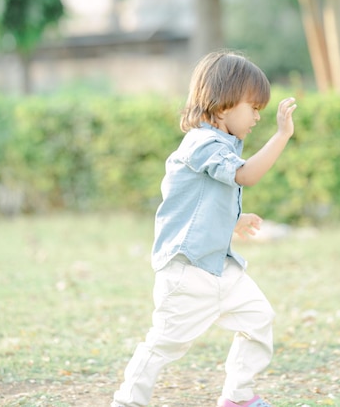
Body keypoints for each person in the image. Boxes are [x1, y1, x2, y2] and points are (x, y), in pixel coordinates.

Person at [111, 50, 297, 407]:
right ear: (223, 105)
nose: (258, 116)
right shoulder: (201, 143)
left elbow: (202, 203)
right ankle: (128, 401)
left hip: (218, 267)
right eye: (253, 107)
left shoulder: (221, 145)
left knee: (259, 318)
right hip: (187, 272)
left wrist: (234, 220)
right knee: (165, 343)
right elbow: (245, 175)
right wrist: (282, 135)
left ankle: (238, 398)